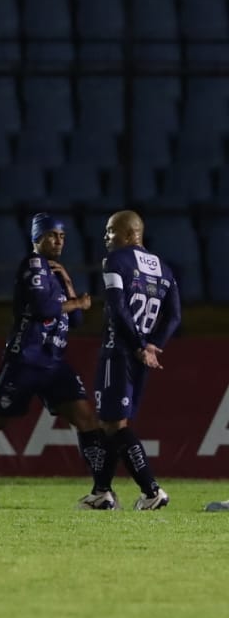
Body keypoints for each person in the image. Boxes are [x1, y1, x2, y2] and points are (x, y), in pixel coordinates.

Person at [0, 214, 119, 508]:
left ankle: (101, 491)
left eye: (62, 236)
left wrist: (68, 282)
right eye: (52, 235)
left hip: (54, 363)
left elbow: (77, 319)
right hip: (25, 361)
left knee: (86, 420)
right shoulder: (33, 265)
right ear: (37, 238)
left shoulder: (54, 271)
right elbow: (45, 308)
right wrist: (79, 301)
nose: (59, 240)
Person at [78, 211, 179, 511]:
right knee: (113, 424)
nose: (106, 237)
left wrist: (136, 345)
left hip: (119, 350)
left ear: (128, 233)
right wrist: (152, 346)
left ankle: (151, 491)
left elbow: (117, 308)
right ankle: (101, 493)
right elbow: (174, 316)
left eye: (110, 230)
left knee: (113, 424)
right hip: (139, 356)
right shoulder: (164, 269)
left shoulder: (115, 262)